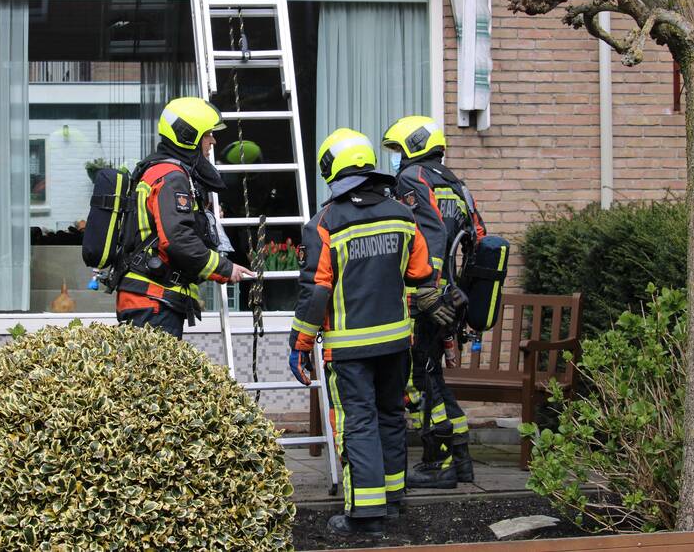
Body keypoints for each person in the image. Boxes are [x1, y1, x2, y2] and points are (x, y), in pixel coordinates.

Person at [288, 128, 454, 536]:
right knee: (391, 417)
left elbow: (317, 291)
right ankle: (392, 501)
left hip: (349, 351)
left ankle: (364, 514)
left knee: (357, 423)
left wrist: (299, 343)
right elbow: (421, 275)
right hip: (397, 344)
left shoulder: (324, 223)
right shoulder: (402, 214)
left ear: (333, 169)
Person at [382, 115, 487, 489]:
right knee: (434, 377)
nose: (395, 159)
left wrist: (427, 286)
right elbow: (477, 235)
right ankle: (461, 461)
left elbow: (431, 233)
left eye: (397, 150)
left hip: (425, 298)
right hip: (452, 300)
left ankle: (437, 462)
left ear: (413, 147)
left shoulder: (412, 179)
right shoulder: (457, 185)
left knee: (418, 380)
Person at [115, 97, 255, 338]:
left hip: (149, 299)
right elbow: (177, 238)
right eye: (208, 134)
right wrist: (225, 268)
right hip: (153, 302)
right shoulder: (172, 177)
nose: (213, 140)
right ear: (188, 136)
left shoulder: (161, 171)